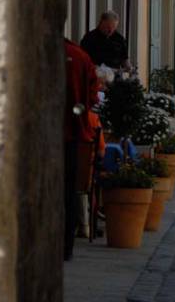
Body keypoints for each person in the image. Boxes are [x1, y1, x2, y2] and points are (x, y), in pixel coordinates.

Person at [64, 39, 101, 261]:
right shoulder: (79, 56)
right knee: (68, 191)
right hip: (70, 134)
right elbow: (92, 95)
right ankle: (65, 246)